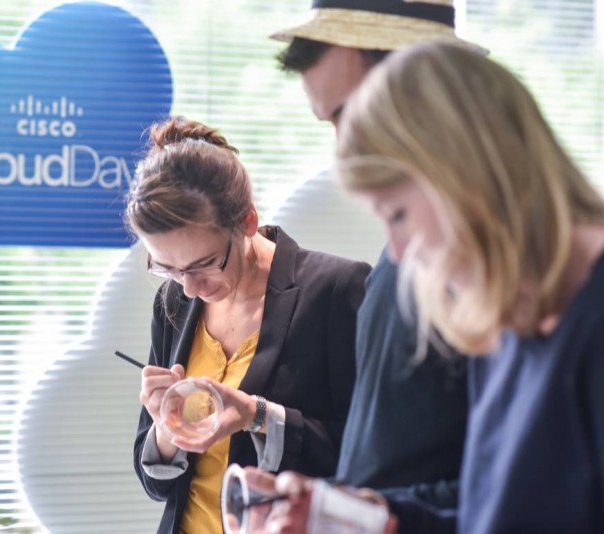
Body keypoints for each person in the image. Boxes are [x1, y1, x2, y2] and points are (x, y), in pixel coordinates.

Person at [265, 41, 604, 533]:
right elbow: (492, 512)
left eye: (398, 214)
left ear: (466, 174)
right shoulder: (506, 319)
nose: (399, 253)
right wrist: (365, 516)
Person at [269, 0, 472, 507]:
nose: (342, 154)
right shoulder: (398, 254)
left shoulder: (513, 267)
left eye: (348, 114)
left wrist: (378, 515)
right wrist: (327, 505)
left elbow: (528, 491)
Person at [127, 116, 371, 533]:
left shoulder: (336, 290)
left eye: (205, 264)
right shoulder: (173, 301)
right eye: (167, 268)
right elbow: (159, 486)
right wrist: (167, 428)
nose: (189, 288)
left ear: (247, 221)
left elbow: (370, 456)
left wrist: (256, 415)